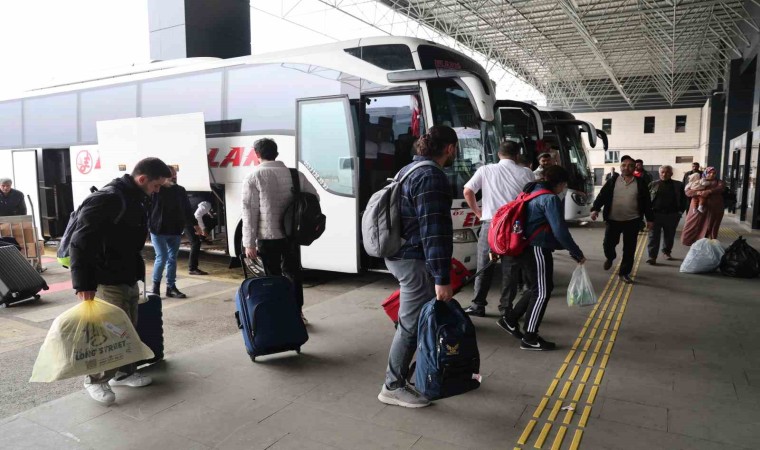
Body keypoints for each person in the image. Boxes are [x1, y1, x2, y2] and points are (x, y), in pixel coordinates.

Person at [70, 157, 172, 405]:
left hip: (126, 275)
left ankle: (124, 372)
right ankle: (95, 380)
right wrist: (83, 285)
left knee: (129, 328)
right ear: (142, 179)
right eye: (156, 185)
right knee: (107, 331)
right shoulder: (108, 199)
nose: (157, 191)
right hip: (105, 278)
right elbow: (80, 243)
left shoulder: (136, 197)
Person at [377, 125, 457, 408]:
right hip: (413, 258)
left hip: (400, 252)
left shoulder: (409, 169)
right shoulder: (430, 176)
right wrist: (442, 277)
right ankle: (393, 386)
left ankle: (415, 372)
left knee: (415, 320)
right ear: (450, 148)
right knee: (410, 325)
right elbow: (433, 231)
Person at [502, 165, 586, 350]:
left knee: (538, 287)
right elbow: (560, 231)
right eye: (564, 185)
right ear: (560, 183)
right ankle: (530, 337)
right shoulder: (549, 198)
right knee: (542, 291)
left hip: (524, 247)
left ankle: (510, 319)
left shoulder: (530, 191)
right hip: (537, 248)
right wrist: (576, 252)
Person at [241, 138, 319, 323]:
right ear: (276, 153)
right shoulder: (295, 174)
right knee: (293, 273)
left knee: (272, 277)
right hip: (291, 235)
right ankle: (297, 313)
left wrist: (248, 243)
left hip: (268, 236)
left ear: (257, 154)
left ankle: (279, 315)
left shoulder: (253, 177)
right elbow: (314, 197)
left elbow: (249, 212)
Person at [462, 141, 535, 324]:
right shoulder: (527, 173)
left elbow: (468, 191)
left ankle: (478, 305)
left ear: (498, 154)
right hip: (515, 228)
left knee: (484, 265)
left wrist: (478, 213)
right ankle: (506, 309)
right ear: (517, 155)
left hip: (491, 225)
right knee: (510, 269)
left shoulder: (485, 170)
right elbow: (532, 199)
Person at [590, 155, 653, 284]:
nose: (626, 168)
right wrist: (595, 209)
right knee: (608, 244)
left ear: (634, 168)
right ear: (620, 167)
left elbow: (647, 202)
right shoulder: (613, 181)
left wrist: (650, 219)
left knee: (629, 248)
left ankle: (624, 272)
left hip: (632, 220)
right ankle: (610, 257)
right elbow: (602, 195)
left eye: (630, 166)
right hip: (613, 220)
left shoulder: (640, 183)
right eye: (624, 165)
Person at [149, 167, 199, 298]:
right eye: (171, 175)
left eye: (175, 174)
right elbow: (148, 209)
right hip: (158, 230)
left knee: (172, 259)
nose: (173, 177)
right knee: (162, 257)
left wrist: (195, 225)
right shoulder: (156, 190)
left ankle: (171, 287)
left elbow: (187, 209)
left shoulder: (180, 190)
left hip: (175, 230)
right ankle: (155, 287)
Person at [646, 165, 687, 265]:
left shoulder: (678, 185)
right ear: (659, 173)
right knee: (653, 237)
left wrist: (680, 212)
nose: (664, 174)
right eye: (662, 172)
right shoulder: (653, 184)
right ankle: (652, 257)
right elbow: (646, 200)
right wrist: (647, 214)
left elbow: (684, 200)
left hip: (672, 215)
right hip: (655, 215)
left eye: (667, 172)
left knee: (669, 235)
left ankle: (666, 252)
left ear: (671, 173)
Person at [681, 167, 725, 246]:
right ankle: (690, 241)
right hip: (697, 208)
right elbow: (688, 191)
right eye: (709, 173)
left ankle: (708, 244)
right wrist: (698, 193)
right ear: (705, 173)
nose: (711, 174)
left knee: (711, 225)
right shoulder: (698, 180)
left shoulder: (719, 182)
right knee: (692, 223)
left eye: (714, 173)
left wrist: (709, 191)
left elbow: (720, 188)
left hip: (714, 208)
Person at [186, 192, 216, 275]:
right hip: (187, 222)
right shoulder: (207, 203)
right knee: (195, 243)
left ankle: (202, 237)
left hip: (188, 219)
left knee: (212, 220)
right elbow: (197, 215)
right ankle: (192, 268)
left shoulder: (198, 199)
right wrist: (203, 229)